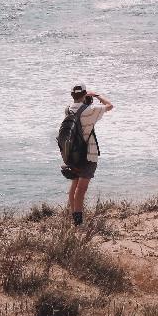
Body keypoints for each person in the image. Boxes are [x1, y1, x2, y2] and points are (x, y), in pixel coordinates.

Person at [63, 83, 113, 226]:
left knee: (74, 186)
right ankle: (78, 223)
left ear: (72, 95)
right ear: (85, 94)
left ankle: (74, 218)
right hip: (88, 155)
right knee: (82, 189)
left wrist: (85, 98)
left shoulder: (67, 110)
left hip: (72, 155)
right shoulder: (90, 110)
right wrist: (97, 95)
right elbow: (110, 106)